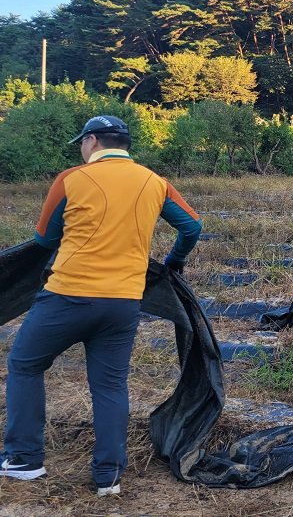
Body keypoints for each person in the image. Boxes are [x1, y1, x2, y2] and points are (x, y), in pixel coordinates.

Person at [0, 115, 202, 495]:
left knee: (25, 365)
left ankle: (24, 459)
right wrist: (173, 263)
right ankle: (108, 477)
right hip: (124, 302)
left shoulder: (71, 179)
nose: (81, 148)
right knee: (110, 386)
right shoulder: (154, 182)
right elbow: (192, 227)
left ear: (92, 141)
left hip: (67, 296)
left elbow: (44, 239)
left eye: (82, 142)